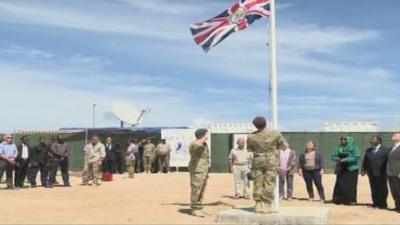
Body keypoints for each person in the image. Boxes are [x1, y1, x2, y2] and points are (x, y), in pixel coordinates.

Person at [247, 116, 284, 214]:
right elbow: (284, 146)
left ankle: (258, 205)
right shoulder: (275, 133)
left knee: (257, 182)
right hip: (271, 161)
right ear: (265, 123)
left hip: (258, 161)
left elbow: (249, 149)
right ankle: (267, 205)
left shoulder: (251, 136)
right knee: (269, 183)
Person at [361, 136, 390, 209]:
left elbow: (388, 162)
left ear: (379, 141)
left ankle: (383, 204)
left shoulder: (386, 150)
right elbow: (365, 161)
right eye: (371, 139)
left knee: (382, 188)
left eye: (373, 139)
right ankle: (375, 203)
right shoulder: (368, 150)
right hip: (371, 173)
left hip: (382, 173)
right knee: (373, 188)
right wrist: (363, 169)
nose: (371, 141)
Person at [331, 136, 360, 205]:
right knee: (340, 184)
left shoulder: (354, 147)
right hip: (341, 168)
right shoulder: (338, 147)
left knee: (351, 185)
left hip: (351, 169)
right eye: (341, 139)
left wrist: (346, 159)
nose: (342, 140)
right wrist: (338, 159)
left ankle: (350, 200)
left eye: (344, 139)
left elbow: (357, 156)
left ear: (349, 140)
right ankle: (339, 200)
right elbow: (333, 156)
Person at [189, 129, 210, 217]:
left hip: (203, 170)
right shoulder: (194, 143)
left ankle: (199, 207)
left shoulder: (204, 144)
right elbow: (198, 145)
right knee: (196, 189)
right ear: (202, 135)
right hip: (197, 170)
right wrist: (204, 138)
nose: (207, 136)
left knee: (202, 189)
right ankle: (195, 208)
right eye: (206, 134)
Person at [387, 132, 400, 212]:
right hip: (390, 173)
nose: (393, 135)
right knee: (393, 191)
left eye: (396, 135)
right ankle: (397, 206)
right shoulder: (392, 148)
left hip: (397, 173)